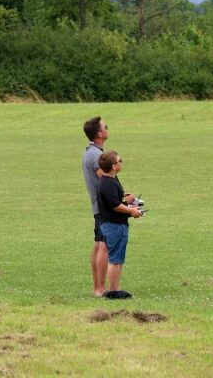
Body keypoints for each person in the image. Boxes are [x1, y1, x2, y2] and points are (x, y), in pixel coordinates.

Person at [96, 151, 142, 300]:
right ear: (114, 166)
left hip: (116, 224)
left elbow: (116, 200)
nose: (122, 162)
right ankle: (114, 291)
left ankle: (115, 289)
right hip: (114, 225)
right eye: (119, 160)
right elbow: (115, 206)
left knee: (118, 258)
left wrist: (126, 200)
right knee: (115, 259)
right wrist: (131, 211)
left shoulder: (111, 180)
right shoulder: (108, 183)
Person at [82, 116, 109, 297]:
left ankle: (97, 287)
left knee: (98, 245)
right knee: (103, 246)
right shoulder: (97, 155)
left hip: (98, 206)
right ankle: (100, 289)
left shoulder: (90, 152)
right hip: (104, 208)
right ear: (99, 133)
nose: (107, 128)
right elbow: (105, 181)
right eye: (105, 127)